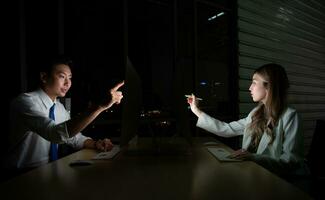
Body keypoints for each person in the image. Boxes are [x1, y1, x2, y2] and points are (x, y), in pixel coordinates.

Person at [4, 55, 124, 172]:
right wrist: (99, 107)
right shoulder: (25, 102)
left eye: (70, 77)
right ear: (44, 77)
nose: (68, 83)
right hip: (20, 174)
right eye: (62, 77)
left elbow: (73, 137)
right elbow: (55, 134)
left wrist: (96, 143)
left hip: (47, 170)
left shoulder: (59, 107)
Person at [187, 63, 308, 178]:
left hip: (281, 182)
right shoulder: (256, 113)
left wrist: (254, 158)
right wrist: (196, 110)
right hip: (255, 175)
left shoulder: (290, 116)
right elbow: (227, 129)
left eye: (254, 83)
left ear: (269, 86)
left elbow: (291, 161)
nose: (250, 88)